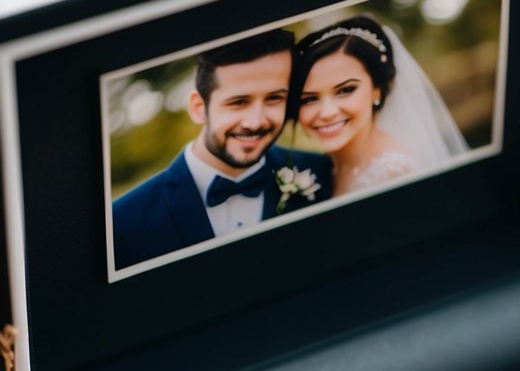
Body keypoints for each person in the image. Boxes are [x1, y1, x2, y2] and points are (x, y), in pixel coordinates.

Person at [112, 29, 332, 270]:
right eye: (238, 102)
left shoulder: (325, 174)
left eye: (274, 98)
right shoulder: (122, 222)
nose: (256, 121)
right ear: (198, 108)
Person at [290, 14, 468, 198]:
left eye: (345, 90)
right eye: (309, 99)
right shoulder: (324, 168)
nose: (327, 112)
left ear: (377, 89)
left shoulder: (394, 175)